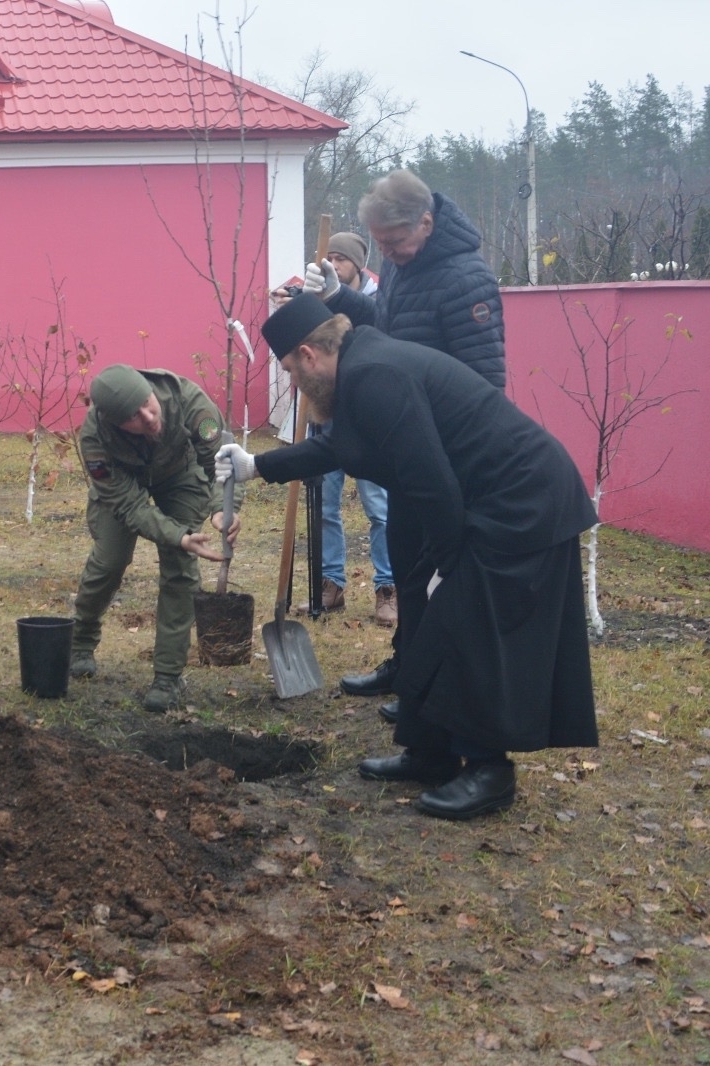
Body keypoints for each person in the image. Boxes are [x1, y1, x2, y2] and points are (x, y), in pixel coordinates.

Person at [219, 294, 597, 820]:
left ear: (308, 355)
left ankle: (489, 771)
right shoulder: (362, 367)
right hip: (483, 499)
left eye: (289, 370)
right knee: (422, 616)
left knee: (467, 622)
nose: (294, 383)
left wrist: (446, 563)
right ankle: (430, 752)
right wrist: (257, 465)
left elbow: (431, 481)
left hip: (521, 498)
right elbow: (340, 446)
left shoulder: (373, 375)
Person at [303, 172, 505, 720]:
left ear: (427, 222)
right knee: (408, 561)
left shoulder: (467, 281)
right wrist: (339, 297)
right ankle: (407, 662)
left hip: (445, 453)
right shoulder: (401, 264)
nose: (387, 253)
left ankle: (433, 682)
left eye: (393, 242)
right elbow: (385, 327)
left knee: (440, 572)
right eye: (381, 244)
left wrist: (453, 461)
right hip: (409, 444)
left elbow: (485, 381)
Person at [67, 365, 237, 712]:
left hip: (180, 474)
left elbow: (221, 459)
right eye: (133, 416)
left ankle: (168, 677)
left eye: (147, 403)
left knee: (180, 566)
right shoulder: (95, 439)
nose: (148, 417)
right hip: (124, 483)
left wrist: (224, 507)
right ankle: (80, 640)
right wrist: (178, 535)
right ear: (113, 422)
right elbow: (130, 505)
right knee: (109, 561)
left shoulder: (189, 401)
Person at [308, 232, 394, 626]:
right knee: (325, 505)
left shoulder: (379, 301)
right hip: (328, 413)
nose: (334, 264)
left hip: (370, 414)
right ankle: (331, 584)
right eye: (329, 257)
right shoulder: (316, 299)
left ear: (358, 264)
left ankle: (387, 588)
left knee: (379, 507)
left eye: (341, 258)